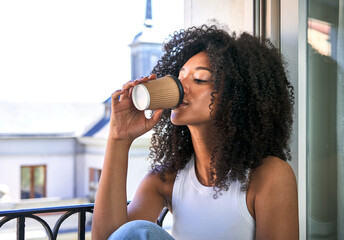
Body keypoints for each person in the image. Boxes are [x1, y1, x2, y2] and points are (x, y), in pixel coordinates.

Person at [91, 24, 299, 240]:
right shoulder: (166, 179)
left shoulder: (268, 176)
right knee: (136, 233)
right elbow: (109, 238)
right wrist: (119, 138)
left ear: (235, 98)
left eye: (199, 79)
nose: (182, 88)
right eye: (179, 78)